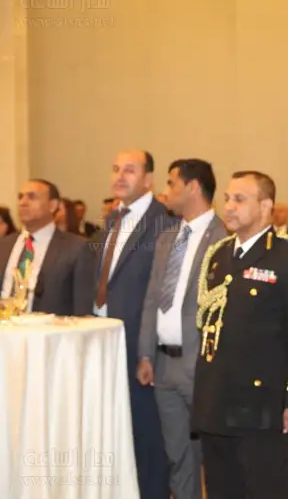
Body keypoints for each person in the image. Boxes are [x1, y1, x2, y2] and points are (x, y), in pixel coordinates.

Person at [192, 171, 288, 499]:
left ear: (265, 206)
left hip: (264, 408)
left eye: (239, 199)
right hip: (217, 404)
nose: (229, 207)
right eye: (227, 199)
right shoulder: (219, 255)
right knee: (220, 491)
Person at [137, 159, 227, 499]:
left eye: (171, 183)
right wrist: (145, 353)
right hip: (164, 364)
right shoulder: (167, 238)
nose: (165, 191)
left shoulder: (225, 238)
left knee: (214, 459)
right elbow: (152, 298)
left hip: (201, 364)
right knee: (178, 457)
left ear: (193, 187)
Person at [91, 150, 177, 499]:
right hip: (102, 341)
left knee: (146, 437)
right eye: (115, 169)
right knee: (112, 430)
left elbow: (165, 293)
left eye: (129, 170)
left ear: (148, 179)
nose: (119, 176)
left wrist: (148, 350)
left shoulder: (164, 223)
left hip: (138, 346)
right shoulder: (112, 219)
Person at [0, 179, 94, 316]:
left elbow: (83, 308)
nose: (22, 203)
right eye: (20, 197)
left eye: (32, 197)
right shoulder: (4, 245)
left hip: (49, 328)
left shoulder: (76, 248)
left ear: (53, 205)